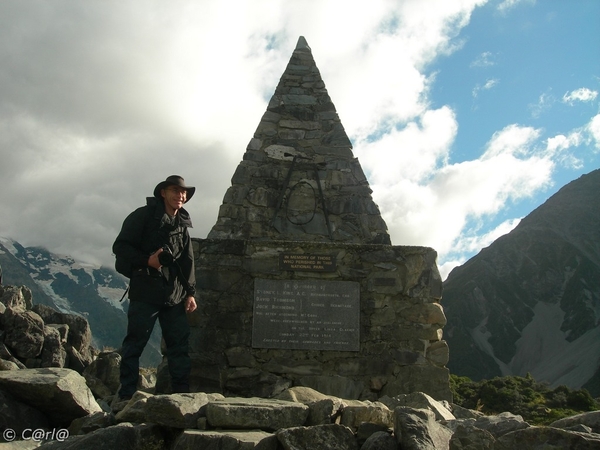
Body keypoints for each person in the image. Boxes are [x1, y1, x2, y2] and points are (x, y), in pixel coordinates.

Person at [113, 175, 197, 400]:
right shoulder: (142, 216)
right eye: (175, 190)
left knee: (179, 346)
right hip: (146, 292)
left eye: (183, 192)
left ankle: (181, 397)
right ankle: (126, 396)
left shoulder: (182, 225)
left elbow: (187, 261)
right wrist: (147, 260)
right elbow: (120, 247)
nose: (180, 195)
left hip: (174, 295)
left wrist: (190, 293)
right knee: (135, 344)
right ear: (163, 193)